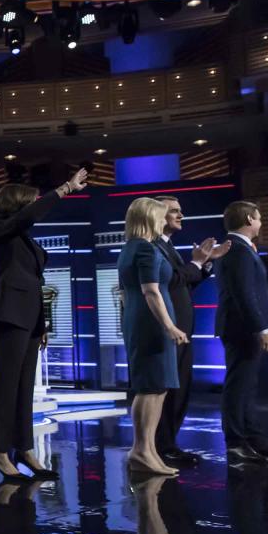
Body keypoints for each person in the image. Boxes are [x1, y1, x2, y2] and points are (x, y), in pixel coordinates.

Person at [0, 169, 88, 482]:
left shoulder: (23, 238)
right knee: (6, 384)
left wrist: (41, 323)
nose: (36, 204)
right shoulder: (1, 229)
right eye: (30, 201)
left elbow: (34, 283)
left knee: (25, 386)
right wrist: (65, 188)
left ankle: (24, 448)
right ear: (17, 205)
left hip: (29, 316)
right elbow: (28, 217)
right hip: (8, 313)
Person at [152, 196, 229, 468]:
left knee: (180, 390)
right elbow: (172, 281)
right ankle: (162, 447)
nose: (181, 216)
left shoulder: (167, 246)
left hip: (181, 331)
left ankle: (168, 444)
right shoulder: (152, 247)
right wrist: (196, 263)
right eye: (175, 211)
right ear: (157, 216)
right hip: (167, 331)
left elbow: (181, 286)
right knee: (168, 391)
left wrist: (204, 264)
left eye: (181, 211)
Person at [117, 197, 187, 476]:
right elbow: (151, 291)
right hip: (151, 323)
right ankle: (141, 449)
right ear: (149, 219)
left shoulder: (131, 248)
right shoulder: (145, 250)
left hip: (141, 319)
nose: (163, 221)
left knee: (158, 387)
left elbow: (126, 293)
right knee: (150, 386)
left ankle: (147, 450)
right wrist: (169, 326)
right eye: (160, 216)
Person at [216, 201, 268, 463]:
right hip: (242, 329)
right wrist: (261, 328)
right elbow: (243, 294)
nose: (262, 223)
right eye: (260, 219)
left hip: (246, 329)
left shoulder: (242, 248)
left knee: (248, 386)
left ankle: (254, 438)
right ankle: (235, 442)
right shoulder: (236, 249)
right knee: (238, 386)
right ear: (250, 219)